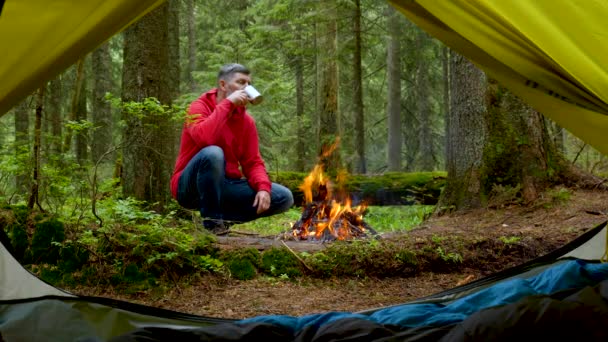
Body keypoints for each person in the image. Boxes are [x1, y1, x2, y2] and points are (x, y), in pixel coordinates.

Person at [171, 63, 294, 234]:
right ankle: (213, 224)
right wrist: (227, 104)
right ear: (223, 85)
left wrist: (263, 188)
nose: (247, 88)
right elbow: (205, 138)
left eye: (249, 84)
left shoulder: (246, 122)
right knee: (213, 153)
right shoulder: (198, 107)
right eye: (241, 82)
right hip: (189, 186)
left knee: (283, 197)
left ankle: (221, 220)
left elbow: (252, 162)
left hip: (225, 185)